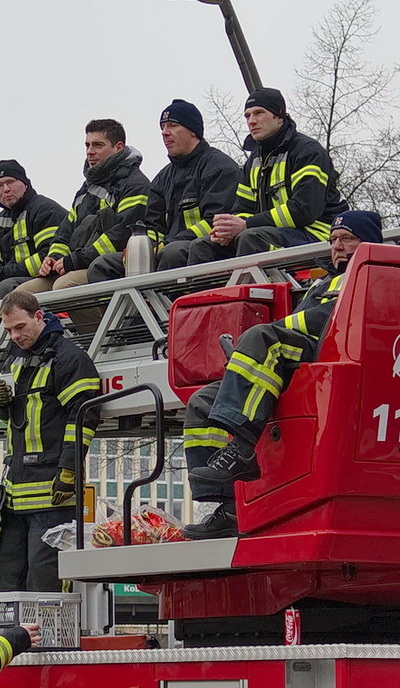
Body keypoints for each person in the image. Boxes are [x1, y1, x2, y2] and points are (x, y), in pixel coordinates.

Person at [182, 210, 380, 539]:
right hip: (298, 365)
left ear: (369, 242)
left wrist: (268, 332)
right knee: (202, 400)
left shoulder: (369, 277)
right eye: (333, 241)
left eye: (347, 239)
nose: (337, 247)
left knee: (262, 338)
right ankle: (225, 499)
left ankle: (241, 451)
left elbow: (324, 321)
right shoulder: (322, 282)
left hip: (327, 357)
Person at [0, 290, 101, 590]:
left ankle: (49, 639)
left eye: (20, 327)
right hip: (15, 496)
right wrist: (0, 401)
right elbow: (5, 413)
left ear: (38, 317)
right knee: (6, 582)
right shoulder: (15, 358)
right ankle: (8, 638)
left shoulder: (70, 359)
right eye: (9, 330)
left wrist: (69, 470)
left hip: (54, 495)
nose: (14, 336)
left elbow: (84, 416)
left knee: (45, 583)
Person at [187, 88, 346, 266]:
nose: (251, 121)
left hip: (316, 234)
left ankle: (247, 294)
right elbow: (243, 208)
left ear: (279, 116)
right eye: (247, 116)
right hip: (269, 233)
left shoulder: (308, 151)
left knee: (250, 238)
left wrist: (246, 225)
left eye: (259, 113)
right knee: (202, 246)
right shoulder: (254, 160)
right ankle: (208, 295)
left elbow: (304, 210)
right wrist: (230, 229)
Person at [88, 100, 241, 282]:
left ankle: (170, 310)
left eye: (173, 125)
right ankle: (130, 311)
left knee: (171, 253)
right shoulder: (163, 177)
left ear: (193, 131)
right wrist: (145, 248)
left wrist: (167, 244)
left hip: (208, 249)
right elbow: (152, 226)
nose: (165, 132)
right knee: (102, 266)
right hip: (167, 248)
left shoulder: (220, 168)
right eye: (162, 126)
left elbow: (215, 223)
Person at [16, 119, 151, 294]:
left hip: (110, 267)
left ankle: (102, 323)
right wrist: (53, 258)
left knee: (64, 286)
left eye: (98, 145)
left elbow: (123, 233)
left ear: (118, 147)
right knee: (20, 295)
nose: (90, 152)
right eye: (87, 145)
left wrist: (75, 260)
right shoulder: (85, 190)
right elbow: (64, 233)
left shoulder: (135, 184)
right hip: (75, 264)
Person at [0, 159, 68, 302]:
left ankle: (7, 325)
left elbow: (48, 257)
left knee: (4, 288)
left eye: (10, 182)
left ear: (25, 183)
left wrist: (3, 273)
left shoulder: (45, 210)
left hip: (47, 276)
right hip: (13, 278)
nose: (6, 189)